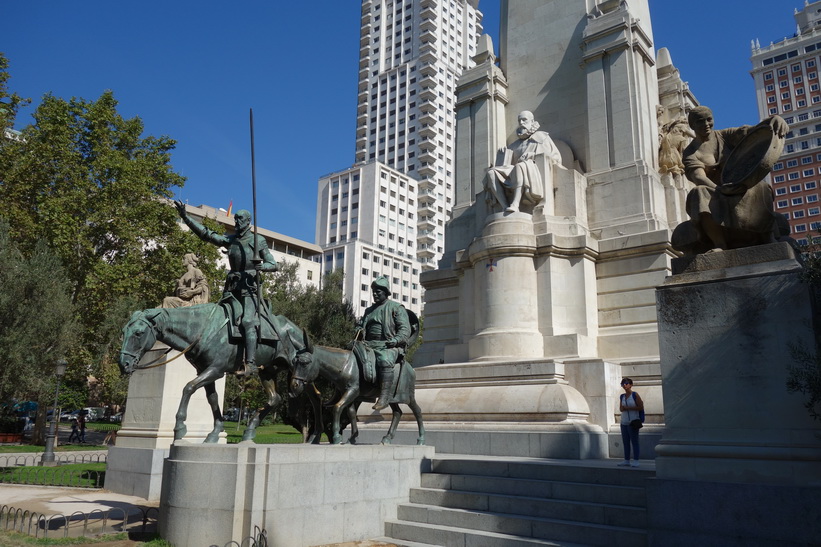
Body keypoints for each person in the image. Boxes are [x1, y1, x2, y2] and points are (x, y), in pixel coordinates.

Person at [174, 200, 278, 376]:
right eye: (235, 219)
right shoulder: (232, 240)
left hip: (249, 289)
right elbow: (207, 235)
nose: (236, 222)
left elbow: (273, 263)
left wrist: (262, 267)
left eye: (239, 219)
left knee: (247, 321)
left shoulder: (257, 240)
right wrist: (186, 217)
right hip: (232, 288)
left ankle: (251, 363)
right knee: (214, 318)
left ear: (248, 221)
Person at [676, 106, 789, 253]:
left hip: (740, 186)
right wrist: (720, 189)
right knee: (698, 193)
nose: (706, 124)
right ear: (692, 125)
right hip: (715, 190)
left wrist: (774, 120)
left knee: (761, 186)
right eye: (699, 121)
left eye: (709, 119)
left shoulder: (724, 135)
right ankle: (719, 243)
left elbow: (751, 132)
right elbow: (698, 176)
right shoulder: (690, 152)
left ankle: (768, 237)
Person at [484, 110, 562, 213]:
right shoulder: (514, 145)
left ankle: (515, 204)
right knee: (491, 172)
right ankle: (504, 206)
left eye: (524, 120)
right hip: (514, 172)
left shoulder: (541, 137)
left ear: (532, 121)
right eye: (519, 120)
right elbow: (505, 166)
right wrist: (502, 155)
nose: (521, 123)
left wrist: (533, 155)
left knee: (520, 166)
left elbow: (556, 158)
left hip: (530, 169)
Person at [357, 276, 411, 411]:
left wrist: (396, 340)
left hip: (388, 345)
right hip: (368, 344)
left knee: (384, 360)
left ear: (386, 292)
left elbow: (405, 329)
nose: (375, 294)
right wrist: (358, 330)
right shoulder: (368, 311)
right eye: (373, 291)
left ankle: (384, 397)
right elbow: (361, 325)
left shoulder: (396, 308)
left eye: (378, 291)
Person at [618, 378, 644, 467]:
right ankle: (626, 460)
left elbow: (640, 407)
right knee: (625, 442)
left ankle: (636, 460)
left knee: (634, 441)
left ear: (630, 385)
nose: (624, 385)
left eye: (626, 383)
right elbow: (621, 408)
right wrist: (624, 408)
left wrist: (629, 408)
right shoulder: (622, 396)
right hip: (624, 421)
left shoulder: (635, 395)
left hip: (633, 421)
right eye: (622, 384)